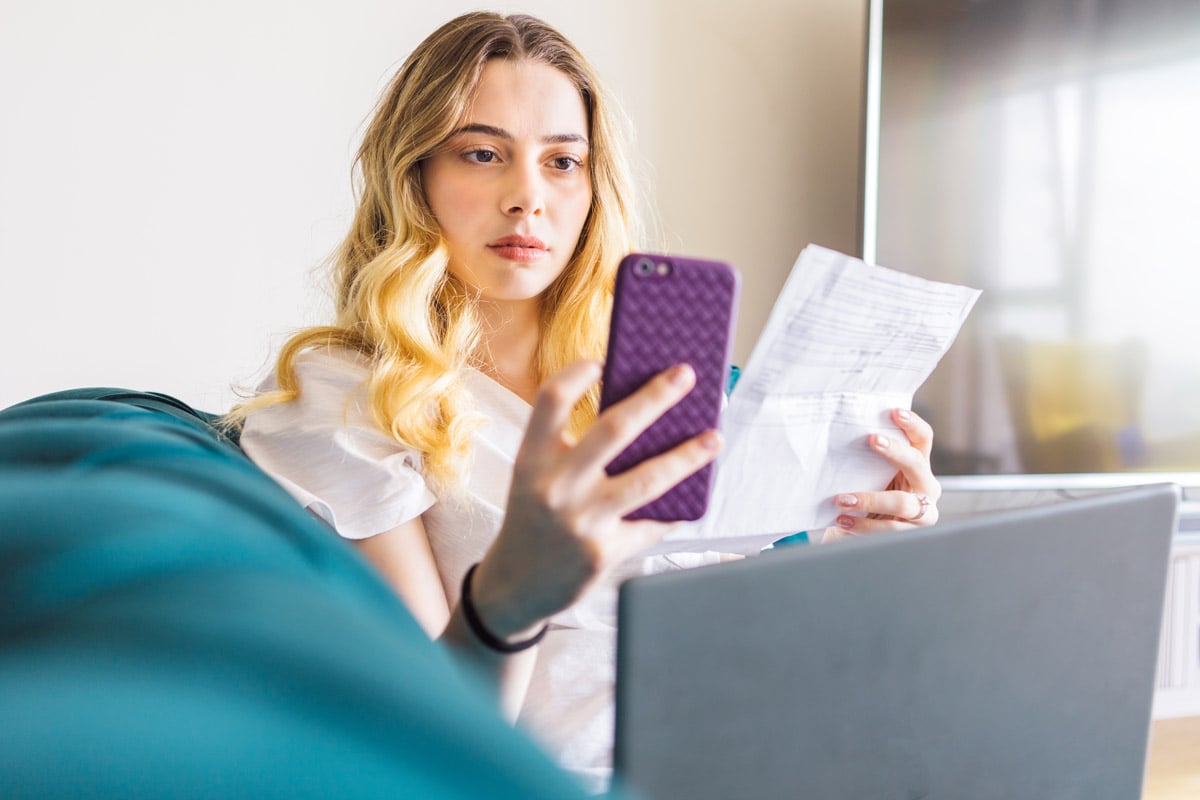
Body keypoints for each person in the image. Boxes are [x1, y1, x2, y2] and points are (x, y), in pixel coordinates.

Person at [229, 11, 941, 793]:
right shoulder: (347, 394)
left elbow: (765, 636)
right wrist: (515, 593)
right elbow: (437, 735)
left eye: (563, 161)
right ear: (415, 175)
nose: (528, 197)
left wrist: (866, 542)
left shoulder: (652, 381)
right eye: (482, 153)